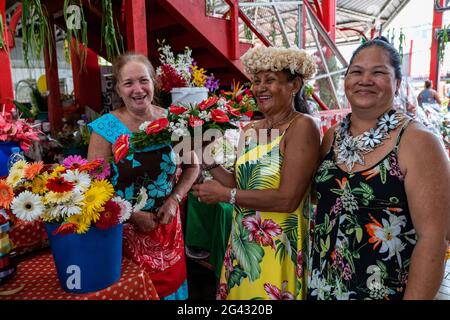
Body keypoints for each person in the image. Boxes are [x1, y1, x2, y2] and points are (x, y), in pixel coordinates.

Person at [307, 37, 450, 300]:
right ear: (346, 81)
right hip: (323, 286)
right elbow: (319, 199)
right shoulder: (332, 136)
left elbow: (433, 240)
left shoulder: (418, 141)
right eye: (356, 72)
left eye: (379, 72)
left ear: (397, 84)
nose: (365, 80)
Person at [192, 46, 321, 300]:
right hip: (242, 243)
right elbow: (240, 184)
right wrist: (205, 158)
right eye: (256, 81)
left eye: (270, 80)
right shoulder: (250, 129)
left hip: (277, 248)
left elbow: (287, 199)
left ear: (294, 85)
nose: (259, 88)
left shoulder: (302, 126)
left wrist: (225, 195)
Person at [87, 53, 199, 300]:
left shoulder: (172, 120)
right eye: (128, 83)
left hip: (168, 228)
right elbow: (93, 186)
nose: (138, 89)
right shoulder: (106, 128)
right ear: (118, 88)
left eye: (143, 80)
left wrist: (174, 199)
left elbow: (193, 166)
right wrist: (132, 215)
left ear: (154, 82)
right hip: (124, 236)